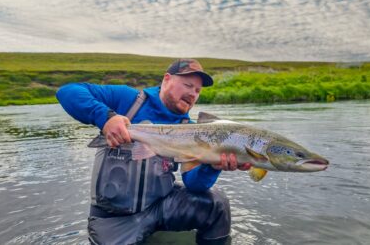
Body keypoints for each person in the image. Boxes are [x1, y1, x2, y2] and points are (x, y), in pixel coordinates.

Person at [56, 58, 251, 245]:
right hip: (112, 220)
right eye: (188, 85)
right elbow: (68, 91)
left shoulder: (189, 129)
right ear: (167, 79)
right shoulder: (128, 100)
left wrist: (212, 166)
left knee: (216, 204)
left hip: (162, 208)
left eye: (198, 90)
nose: (193, 94)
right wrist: (106, 118)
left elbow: (194, 185)